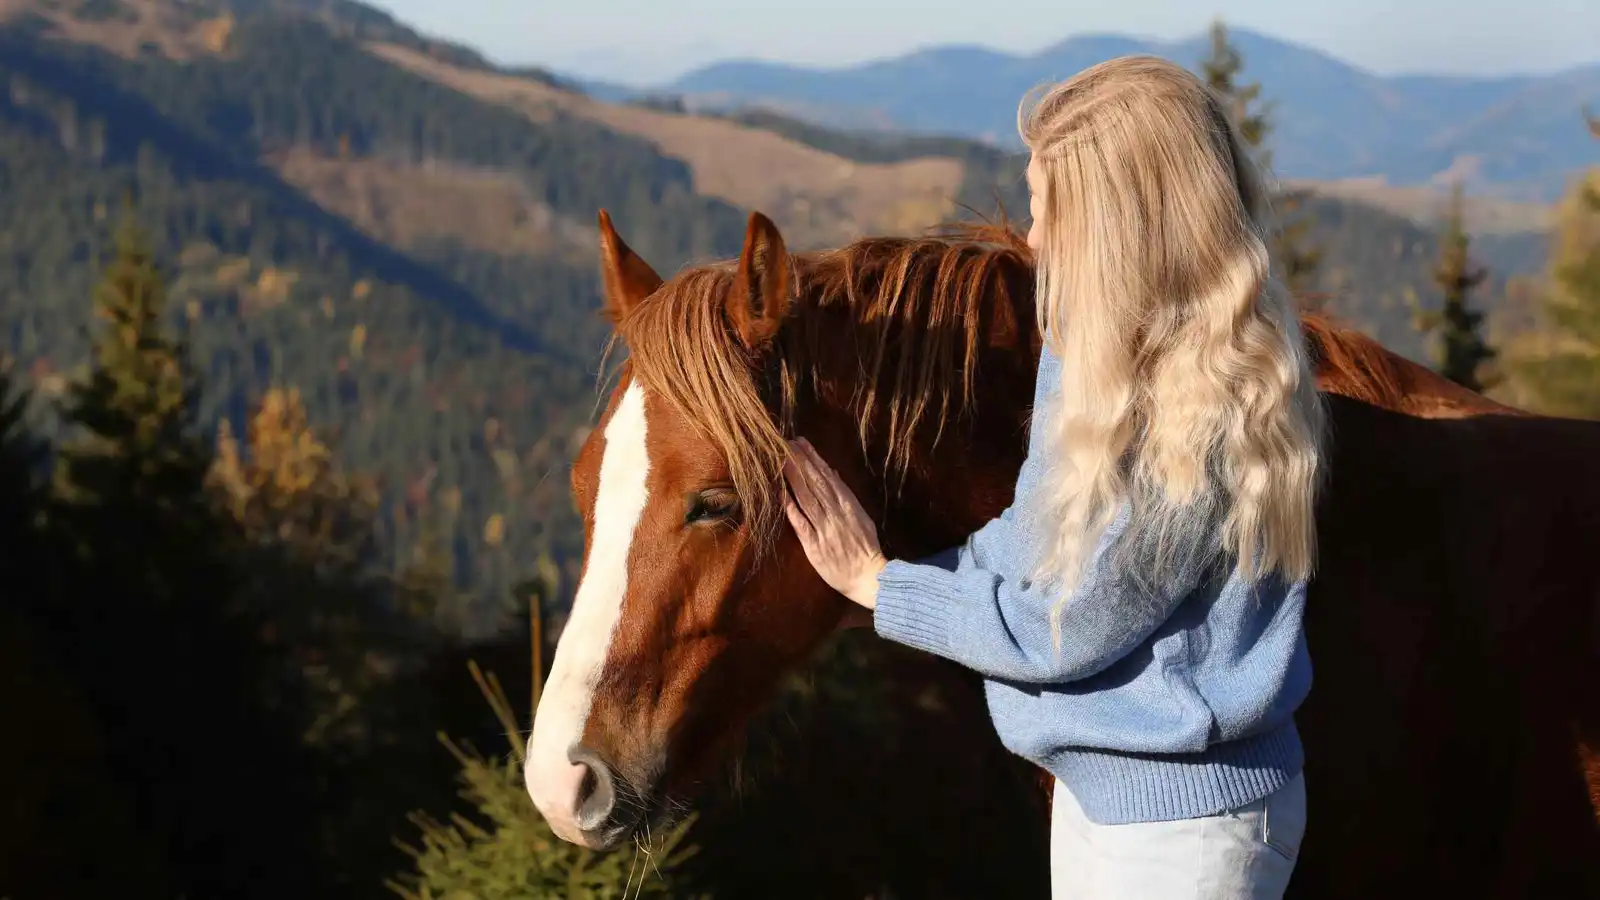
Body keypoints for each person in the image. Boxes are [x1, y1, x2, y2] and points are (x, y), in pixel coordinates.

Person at [781, 55, 1326, 900]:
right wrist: (914, 573)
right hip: (1096, 797)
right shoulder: (1087, 355)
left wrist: (880, 585)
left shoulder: (1201, 412)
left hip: (1188, 830)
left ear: (1119, 225)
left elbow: (1062, 629)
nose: (1030, 242)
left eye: (1047, 213)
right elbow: (1030, 535)